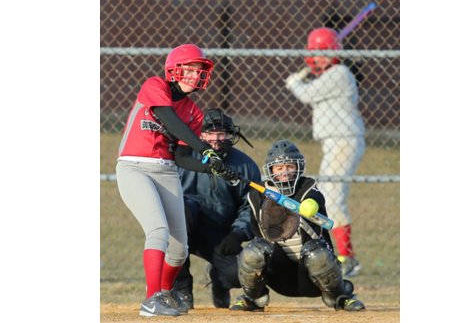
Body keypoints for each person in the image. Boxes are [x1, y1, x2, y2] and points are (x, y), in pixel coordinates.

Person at [115, 44, 237, 317]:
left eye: (200, 69)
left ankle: (164, 293)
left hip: (167, 171)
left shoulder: (194, 112)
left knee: (180, 249)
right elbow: (171, 121)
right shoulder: (155, 85)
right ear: (174, 70)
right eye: (191, 68)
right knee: (158, 231)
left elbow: (182, 156)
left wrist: (212, 168)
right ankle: (150, 300)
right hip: (135, 167)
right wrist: (206, 150)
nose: (196, 73)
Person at [229, 140, 365, 312]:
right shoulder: (257, 195)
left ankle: (340, 297)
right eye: (279, 168)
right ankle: (253, 298)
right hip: (279, 276)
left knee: (317, 253)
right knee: (253, 251)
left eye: (289, 166)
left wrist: (310, 205)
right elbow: (257, 233)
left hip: (313, 277)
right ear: (270, 170)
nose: (285, 172)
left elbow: (316, 198)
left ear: (298, 167)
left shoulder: (307, 187)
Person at [284, 27, 366, 277]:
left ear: (334, 54)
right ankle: (340, 254)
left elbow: (307, 94)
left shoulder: (339, 73)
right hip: (335, 141)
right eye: (314, 53)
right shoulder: (329, 76)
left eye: (322, 53)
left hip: (344, 140)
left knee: (331, 197)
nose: (317, 58)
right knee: (327, 195)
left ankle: (347, 258)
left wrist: (295, 82)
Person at [173, 108, 262, 310]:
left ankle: (219, 281)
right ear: (198, 135)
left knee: (241, 273)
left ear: (230, 134)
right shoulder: (183, 158)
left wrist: (237, 234)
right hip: (185, 226)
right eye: (208, 133)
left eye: (220, 133)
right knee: (182, 211)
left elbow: (252, 205)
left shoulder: (245, 165)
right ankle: (181, 288)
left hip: (219, 235)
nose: (215, 139)